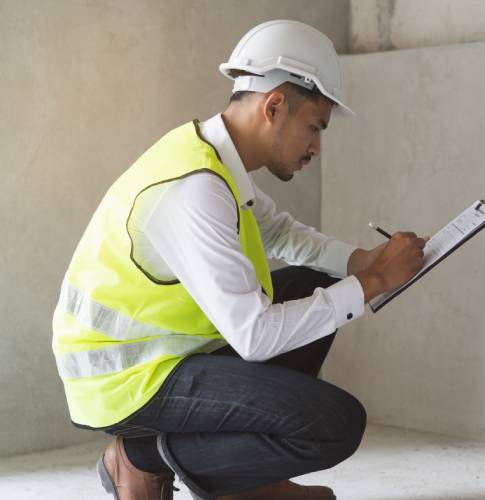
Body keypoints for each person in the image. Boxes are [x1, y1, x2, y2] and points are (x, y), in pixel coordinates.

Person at [51, 19, 427, 500]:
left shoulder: (211, 156)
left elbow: (277, 230)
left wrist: (357, 261)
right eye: (314, 127)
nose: (316, 147)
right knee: (336, 423)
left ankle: (238, 479)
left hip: (164, 356)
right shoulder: (195, 189)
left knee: (312, 280)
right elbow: (255, 337)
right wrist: (372, 281)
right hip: (127, 378)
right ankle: (138, 457)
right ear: (274, 106)